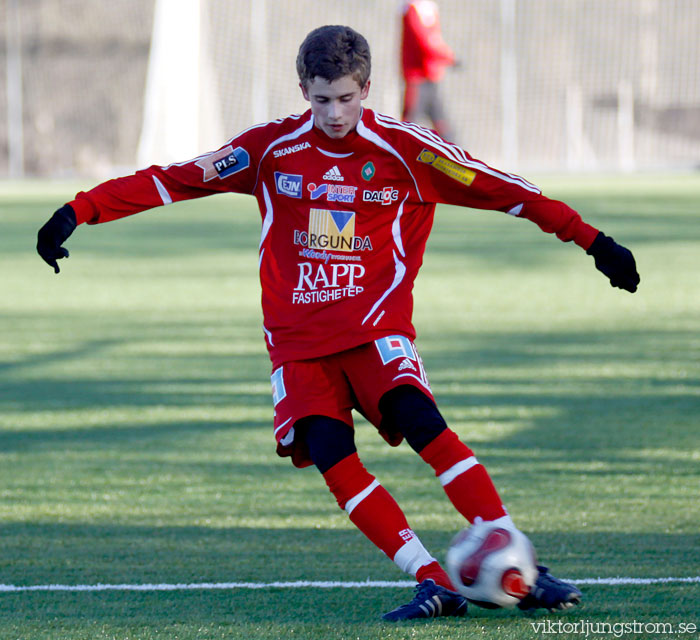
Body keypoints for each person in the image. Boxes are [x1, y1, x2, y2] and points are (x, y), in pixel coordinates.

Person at [37, 25, 639, 621]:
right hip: (298, 345)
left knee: (425, 427)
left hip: (377, 330)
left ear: (367, 88)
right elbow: (174, 178)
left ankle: (521, 567)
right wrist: (77, 211)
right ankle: (434, 580)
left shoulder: (409, 152)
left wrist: (593, 241)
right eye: (321, 98)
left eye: (346, 98)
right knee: (332, 456)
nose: (334, 113)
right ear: (304, 89)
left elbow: (507, 190)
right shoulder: (270, 150)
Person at [400, 0, 457, 141]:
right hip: (417, 78)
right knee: (409, 124)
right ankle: (397, 159)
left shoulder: (429, 8)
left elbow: (434, 40)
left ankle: (458, 158)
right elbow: (424, 42)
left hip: (431, 77)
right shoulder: (411, 9)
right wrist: (448, 57)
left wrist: (445, 57)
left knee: (441, 122)